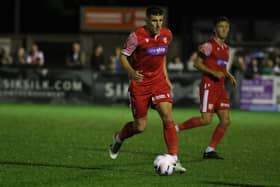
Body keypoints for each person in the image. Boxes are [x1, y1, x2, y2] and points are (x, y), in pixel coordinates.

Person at [108, 6, 186, 173]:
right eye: (154, 21)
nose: (158, 24)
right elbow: (123, 57)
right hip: (141, 84)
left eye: (160, 20)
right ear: (147, 21)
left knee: (168, 117)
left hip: (158, 83)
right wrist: (131, 72)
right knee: (140, 127)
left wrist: (166, 78)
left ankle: (174, 158)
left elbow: (162, 57)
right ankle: (119, 137)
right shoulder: (136, 36)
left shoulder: (167, 35)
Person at [176, 16, 236, 159]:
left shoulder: (226, 48)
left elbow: (221, 67)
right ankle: (175, 129)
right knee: (206, 120)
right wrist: (213, 72)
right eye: (221, 26)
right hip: (209, 85)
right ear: (215, 29)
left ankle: (209, 150)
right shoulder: (208, 45)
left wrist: (228, 75)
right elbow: (197, 63)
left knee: (226, 120)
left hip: (220, 87)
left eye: (226, 27)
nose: (224, 29)